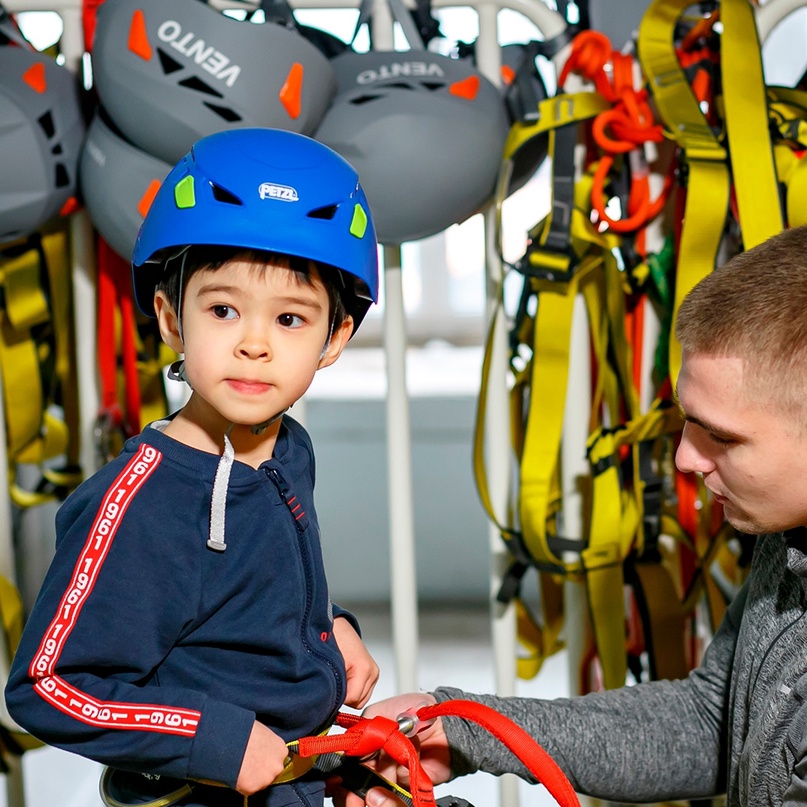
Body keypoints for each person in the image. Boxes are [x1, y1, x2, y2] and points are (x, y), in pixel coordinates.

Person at [336, 224, 807, 807]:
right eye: (688, 419)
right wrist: (465, 727)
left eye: (724, 438)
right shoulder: (787, 537)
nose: (685, 457)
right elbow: (713, 722)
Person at [5, 127, 381, 807]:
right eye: (223, 308)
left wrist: (332, 625)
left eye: (291, 318)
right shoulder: (136, 501)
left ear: (335, 339)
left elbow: (247, 593)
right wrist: (210, 735)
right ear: (170, 317)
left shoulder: (290, 448)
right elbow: (46, 684)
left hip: (293, 783)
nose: (255, 344)